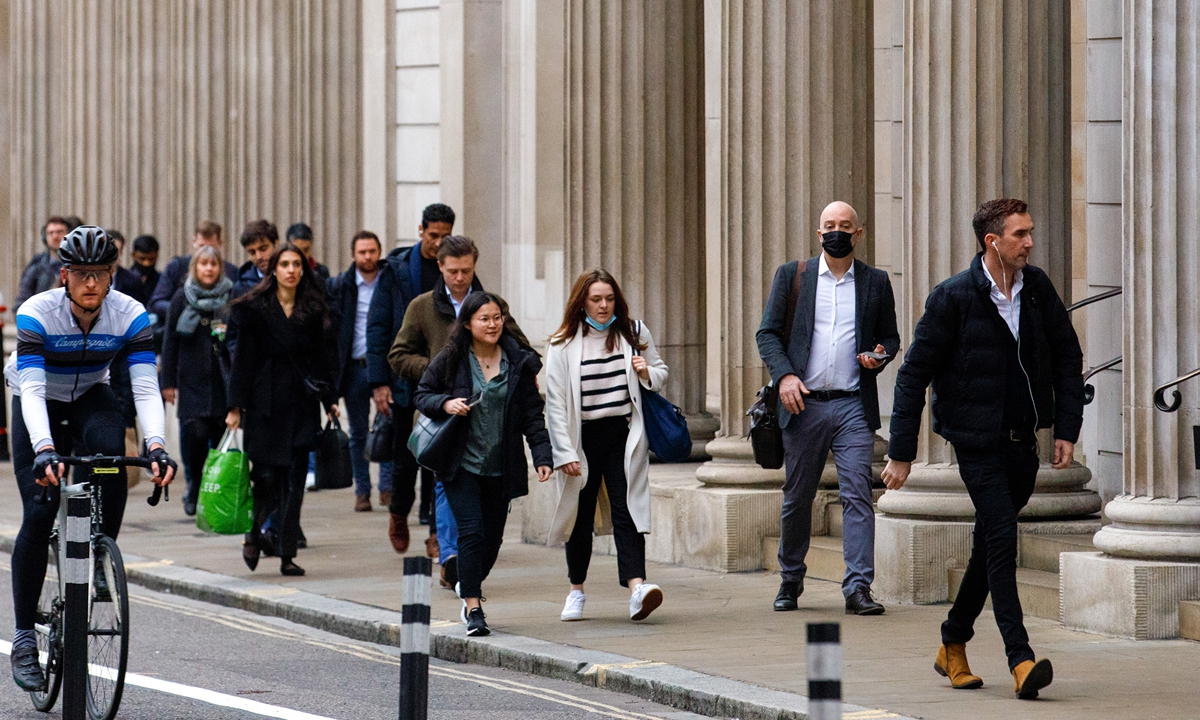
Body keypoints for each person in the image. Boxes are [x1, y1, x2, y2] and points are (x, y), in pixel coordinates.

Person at [882, 198, 1084, 700]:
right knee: (1002, 536)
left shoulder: (1036, 289)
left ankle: (952, 642)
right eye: (1020, 234)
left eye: (1030, 232)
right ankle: (1021, 658)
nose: (1030, 242)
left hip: (1023, 443)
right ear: (993, 241)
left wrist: (1066, 427)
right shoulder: (953, 297)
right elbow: (912, 376)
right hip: (975, 443)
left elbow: (1066, 354)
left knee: (987, 546)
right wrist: (901, 451)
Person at [3, 226, 176, 691]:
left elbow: (143, 386)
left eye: (101, 273)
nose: (92, 283)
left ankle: (99, 552)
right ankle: (22, 638)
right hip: (37, 400)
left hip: (90, 395)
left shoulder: (130, 314)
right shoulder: (38, 314)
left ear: (112, 274)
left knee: (108, 457)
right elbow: (34, 389)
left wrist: (157, 445)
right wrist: (44, 451)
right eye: (81, 274)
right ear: (65, 275)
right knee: (39, 513)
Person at [755, 201, 901, 616]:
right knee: (797, 497)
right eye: (829, 226)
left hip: (853, 404)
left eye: (845, 226)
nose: (837, 231)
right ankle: (790, 579)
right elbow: (767, 334)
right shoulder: (793, 276)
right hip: (804, 406)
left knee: (858, 494)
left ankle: (858, 587)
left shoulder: (875, 282)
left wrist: (880, 354)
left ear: (859, 233)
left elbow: (890, 337)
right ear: (819, 234)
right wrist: (784, 377)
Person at [389, 235, 528, 587]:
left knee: (480, 504)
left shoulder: (492, 307)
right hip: (441, 417)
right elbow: (398, 355)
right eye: (453, 271)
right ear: (440, 266)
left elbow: (521, 347)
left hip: (485, 420)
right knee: (444, 483)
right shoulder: (421, 307)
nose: (460, 278)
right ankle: (450, 556)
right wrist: (437, 369)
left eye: (466, 270)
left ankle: (463, 559)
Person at [413, 292, 552, 636]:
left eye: (496, 318)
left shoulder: (518, 362)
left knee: (491, 542)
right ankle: (473, 609)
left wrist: (543, 456)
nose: (492, 325)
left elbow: (533, 416)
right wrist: (446, 404)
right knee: (472, 533)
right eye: (484, 319)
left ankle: (468, 579)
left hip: (501, 467)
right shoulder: (452, 358)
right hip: (461, 465)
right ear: (468, 324)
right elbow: (422, 394)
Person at [543, 269, 668, 623]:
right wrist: (564, 452)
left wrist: (646, 372)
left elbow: (660, 373)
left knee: (627, 509)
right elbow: (554, 405)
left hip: (623, 436)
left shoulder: (634, 332)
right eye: (596, 299)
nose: (603, 305)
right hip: (582, 439)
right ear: (582, 300)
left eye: (609, 298)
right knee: (579, 517)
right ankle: (576, 591)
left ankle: (637, 589)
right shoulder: (562, 343)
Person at [226, 242, 339, 577]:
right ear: (273, 269)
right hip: (265, 404)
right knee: (265, 478)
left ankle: (287, 552)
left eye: (297, 265)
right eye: (285, 264)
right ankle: (254, 532)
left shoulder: (313, 308)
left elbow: (323, 360)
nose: (292, 270)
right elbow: (242, 361)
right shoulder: (253, 309)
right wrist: (235, 407)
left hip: (302, 404)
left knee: (293, 481)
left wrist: (330, 400)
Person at [368, 203, 455, 553]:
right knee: (405, 461)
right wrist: (379, 382)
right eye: (433, 235)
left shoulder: (456, 268)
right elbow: (377, 326)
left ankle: (436, 533)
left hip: (446, 384)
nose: (438, 243)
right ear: (420, 231)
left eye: (445, 236)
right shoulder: (397, 269)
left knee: (441, 461)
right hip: (404, 381)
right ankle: (399, 513)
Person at [161, 245, 233, 516]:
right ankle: (194, 484)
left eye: (213, 264)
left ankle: (216, 490)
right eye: (203, 264)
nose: (209, 269)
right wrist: (168, 382)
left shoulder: (229, 295)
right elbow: (170, 341)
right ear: (195, 267)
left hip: (222, 380)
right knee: (195, 435)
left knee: (219, 436)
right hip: (191, 379)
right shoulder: (182, 297)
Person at [327, 230, 393, 512]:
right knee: (358, 432)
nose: (368, 257)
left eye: (372, 251)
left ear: (379, 252)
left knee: (388, 426)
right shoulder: (341, 286)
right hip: (354, 368)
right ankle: (362, 490)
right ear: (353, 255)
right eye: (362, 252)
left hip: (385, 367)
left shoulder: (390, 282)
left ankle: (387, 488)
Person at [150, 221, 238, 322]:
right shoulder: (177, 267)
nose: (205, 252)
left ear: (220, 244)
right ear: (194, 242)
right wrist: (182, 309)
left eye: (210, 248)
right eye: (201, 246)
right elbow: (157, 303)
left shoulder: (231, 272)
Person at [14, 216, 70, 312]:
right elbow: (22, 302)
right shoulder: (36, 268)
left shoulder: (78, 265)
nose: (55, 237)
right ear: (45, 237)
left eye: (60, 232)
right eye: (51, 233)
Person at [232, 220, 280, 297]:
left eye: (263, 249)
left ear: (276, 244)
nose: (259, 257)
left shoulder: (292, 279)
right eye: (252, 252)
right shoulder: (242, 289)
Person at [114, 234, 161, 308]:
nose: (146, 264)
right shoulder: (123, 279)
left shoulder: (163, 280)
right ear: (133, 255)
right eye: (142, 259)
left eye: (151, 259)